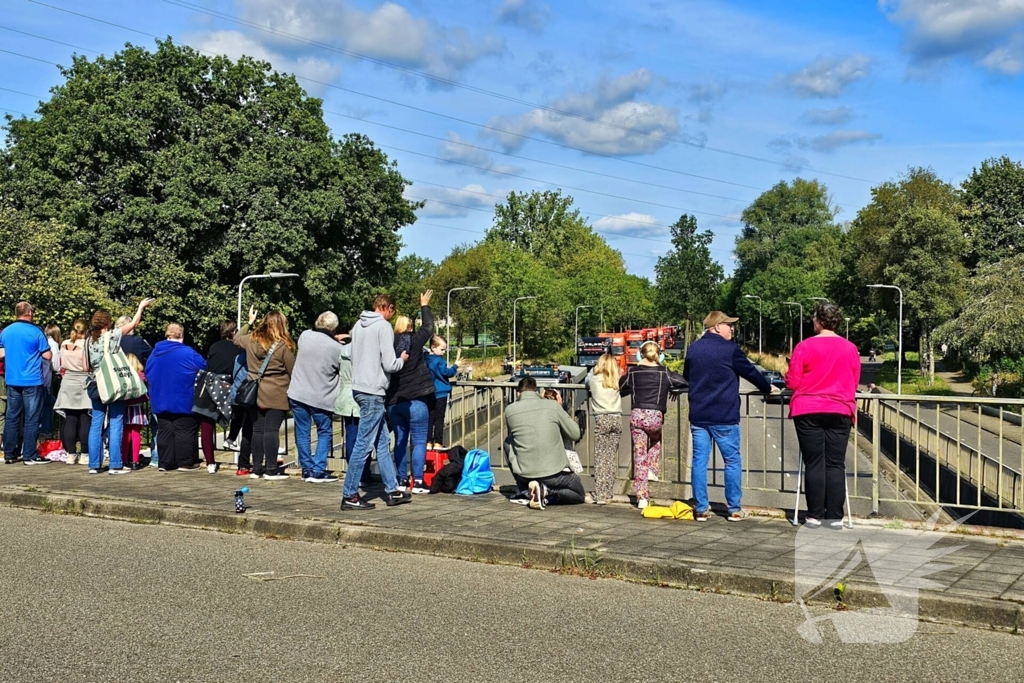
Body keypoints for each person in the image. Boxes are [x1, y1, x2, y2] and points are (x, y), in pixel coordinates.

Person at [684, 311, 774, 522]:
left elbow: (687, 376)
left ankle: (701, 508)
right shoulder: (730, 349)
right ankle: (734, 509)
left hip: (699, 415)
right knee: (732, 461)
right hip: (724, 416)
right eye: (728, 325)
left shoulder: (693, 349)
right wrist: (768, 388)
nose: (732, 328)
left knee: (699, 461)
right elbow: (751, 373)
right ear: (716, 327)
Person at [786, 302, 861, 529]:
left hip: (809, 409)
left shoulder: (804, 346)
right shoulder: (850, 348)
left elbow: (793, 382)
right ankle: (835, 516)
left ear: (819, 321)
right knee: (836, 463)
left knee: (814, 462)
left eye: (813, 318)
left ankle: (814, 515)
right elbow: (854, 381)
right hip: (840, 409)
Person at [340, 294, 411, 510]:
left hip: (359, 387)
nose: (392, 316)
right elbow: (389, 364)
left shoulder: (358, 326)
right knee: (363, 444)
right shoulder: (383, 327)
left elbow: (350, 354)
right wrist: (402, 360)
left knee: (381, 442)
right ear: (388, 307)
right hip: (374, 390)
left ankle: (392, 490)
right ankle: (349, 494)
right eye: (393, 311)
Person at [87, 298, 156, 475]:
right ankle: (115, 464)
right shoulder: (112, 336)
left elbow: (84, 365)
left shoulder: (88, 341)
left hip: (94, 384)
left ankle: (94, 464)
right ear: (108, 322)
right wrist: (141, 307)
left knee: (96, 424)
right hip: (112, 384)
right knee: (116, 422)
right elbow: (133, 323)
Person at [618, 341, 687, 510]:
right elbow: (684, 382)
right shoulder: (664, 372)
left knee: (639, 455)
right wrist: (673, 390)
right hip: (655, 417)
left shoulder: (633, 372)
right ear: (659, 355)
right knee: (656, 439)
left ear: (640, 355)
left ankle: (642, 497)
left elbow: (621, 386)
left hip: (637, 416)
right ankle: (652, 469)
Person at [505, 376, 584, 509]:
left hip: (524, 473)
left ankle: (525, 490)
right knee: (578, 493)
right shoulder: (553, 406)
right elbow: (575, 434)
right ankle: (545, 491)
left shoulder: (509, 410)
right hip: (554, 473)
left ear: (518, 393)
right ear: (536, 390)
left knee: (507, 442)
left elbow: (514, 435)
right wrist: (561, 410)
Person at [234, 310, 296, 480]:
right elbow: (292, 371)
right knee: (271, 430)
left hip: (254, 392)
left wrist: (249, 322)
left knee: (257, 430)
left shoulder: (250, 340)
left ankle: (256, 469)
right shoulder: (283, 346)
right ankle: (271, 469)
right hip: (276, 392)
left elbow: (237, 338)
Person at [288, 311, 346, 484]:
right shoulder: (337, 348)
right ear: (334, 328)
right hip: (321, 396)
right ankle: (318, 470)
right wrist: (336, 341)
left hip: (298, 393)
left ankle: (306, 469)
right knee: (324, 431)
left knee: (302, 431)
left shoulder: (305, 336)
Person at [386, 291, 435, 494]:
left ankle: (401, 479)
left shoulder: (388, 343)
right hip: (415, 400)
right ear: (410, 327)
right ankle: (419, 481)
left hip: (394, 402)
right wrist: (424, 305)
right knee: (419, 441)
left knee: (400, 440)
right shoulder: (415, 340)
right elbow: (429, 327)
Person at [145, 323, 206, 472]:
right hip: (182, 397)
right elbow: (204, 366)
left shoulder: (154, 353)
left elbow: (148, 372)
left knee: (165, 430)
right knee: (184, 430)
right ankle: (185, 462)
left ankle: (165, 463)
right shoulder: (187, 353)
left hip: (159, 398)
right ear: (181, 335)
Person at [1, 302, 54, 465]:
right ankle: (29, 454)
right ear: (29, 313)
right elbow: (47, 356)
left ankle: (9, 454)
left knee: (12, 416)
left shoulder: (6, 331)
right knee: (32, 417)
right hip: (32, 379)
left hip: (12, 379)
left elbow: (1, 353)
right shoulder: (36, 331)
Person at [201, 320, 245, 472]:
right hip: (227, 386)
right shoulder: (238, 348)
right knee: (239, 413)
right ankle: (231, 438)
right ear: (234, 332)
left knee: (207, 425)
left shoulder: (214, 346)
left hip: (210, 385)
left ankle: (210, 463)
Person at [586, 352, 622, 505]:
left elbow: (586, 379)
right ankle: (608, 491)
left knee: (601, 457)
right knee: (610, 457)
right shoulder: (617, 379)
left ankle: (600, 494)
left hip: (601, 418)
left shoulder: (593, 379)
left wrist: (594, 369)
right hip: (616, 418)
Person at [54, 319, 92, 465]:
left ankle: (70, 454)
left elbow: (60, 363)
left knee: (70, 419)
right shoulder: (87, 344)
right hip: (83, 381)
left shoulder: (64, 343)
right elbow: (87, 366)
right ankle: (84, 454)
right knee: (85, 418)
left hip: (68, 380)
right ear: (86, 330)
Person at [425, 335, 459, 450]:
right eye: (442, 349)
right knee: (439, 418)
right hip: (441, 392)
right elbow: (447, 373)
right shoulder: (439, 361)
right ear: (433, 347)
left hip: (429, 392)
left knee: (430, 418)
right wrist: (455, 366)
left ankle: (428, 442)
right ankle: (438, 442)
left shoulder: (425, 359)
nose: (444, 352)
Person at [122, 353, 148, 470]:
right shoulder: (140, 375)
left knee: (126, 434)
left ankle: (124, 459)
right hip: (137, 407)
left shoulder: (123, 375)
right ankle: (135, 461)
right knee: (136, 434)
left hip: (125, 407)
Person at [40, 324, 61, 437]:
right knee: (49, 403)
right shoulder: (54, 344)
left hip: (35, 377)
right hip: (46, 379)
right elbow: (56, 366)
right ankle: (45, 429)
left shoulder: (40, 341)